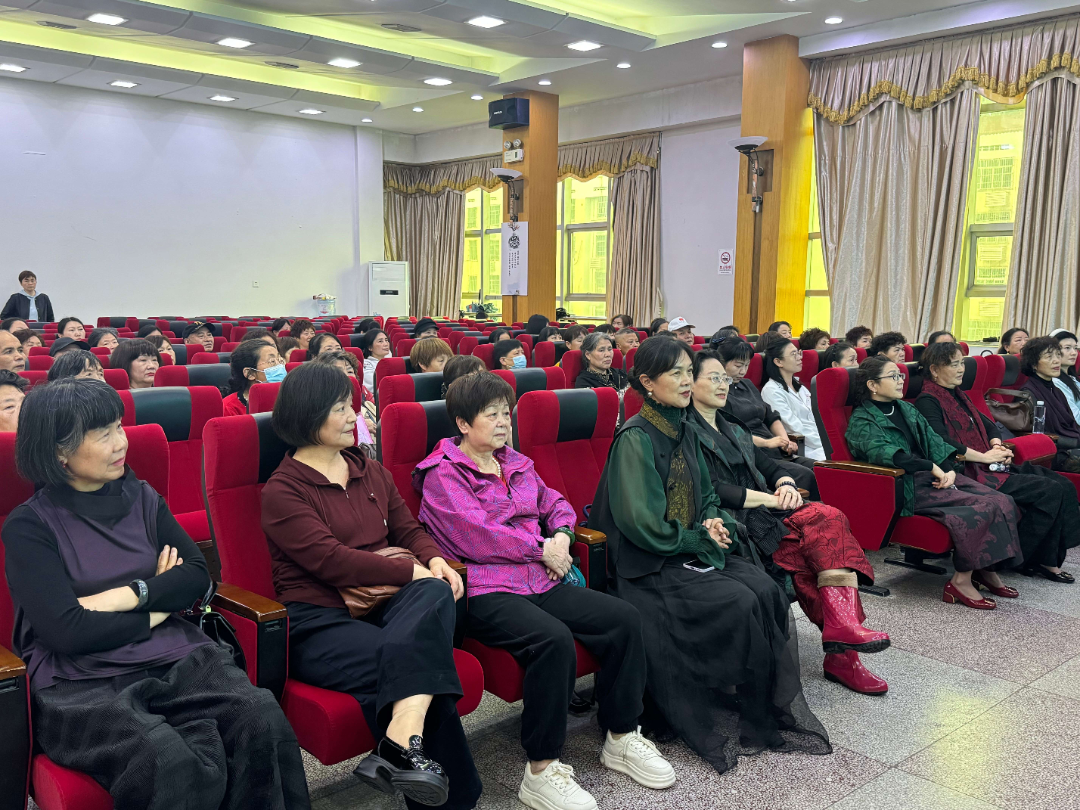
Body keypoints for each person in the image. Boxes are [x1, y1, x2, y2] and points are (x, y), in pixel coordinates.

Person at [3, 379, 310, 810]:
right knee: (166, 760)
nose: (121, 442)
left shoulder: (142, 496)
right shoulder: (29, 526)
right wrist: (159, 608)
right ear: (59, 452)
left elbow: (196, 577)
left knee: (260, 717)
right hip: (81, 680)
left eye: (118, 427)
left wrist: (129, 594)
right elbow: (66, 632)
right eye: (103, 434)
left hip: (174, 654)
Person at [415, 372, 673, 810]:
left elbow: (555, 503)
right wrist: (541, 548)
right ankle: (540, 769)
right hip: (485, 588)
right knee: (552, 640)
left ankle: (621, 734)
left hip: (540, 576)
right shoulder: (443, 473)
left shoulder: (515, 462)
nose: (503, 423)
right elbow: (476, 536)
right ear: (462, 423)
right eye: (491, 415)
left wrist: (562, 536)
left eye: (506, 413)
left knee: (623, 618)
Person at [586, 337, 830, 774]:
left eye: (688, 372)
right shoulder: (636, 437)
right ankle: (700, 693)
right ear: (647, 383)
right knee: (738, 599)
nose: (686, 381)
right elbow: (641, 524)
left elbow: (709, 494)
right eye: (675, 373)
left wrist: (714, 521)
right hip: (648, 563)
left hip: (687, 544)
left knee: (764, 589)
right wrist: (698, 538)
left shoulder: (684, 429)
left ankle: (753, 706)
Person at [261, 364, 478, 810]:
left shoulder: (369, 469)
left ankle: (399, 743)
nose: (353, 416)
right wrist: (410, 572)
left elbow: (408, 529)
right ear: (308, 416)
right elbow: (331, 561)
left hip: (383, 605)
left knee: (435, 590)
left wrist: (433, 559)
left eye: (352, 406)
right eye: (341, 409)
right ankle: (447, 788)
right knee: (419, 667)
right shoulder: (283, 490)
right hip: (319, 618)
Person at [689, 351, 890, 694]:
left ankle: (843, 639)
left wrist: (784, 483)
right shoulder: (686, 431)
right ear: (689, 384)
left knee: (826, 527)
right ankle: (843, 651)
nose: (724, 385)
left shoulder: (731, 426)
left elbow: (768, 466)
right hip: (731, 519)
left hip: (764, 511)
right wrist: (771, 498)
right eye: (714, 378)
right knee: (817, 539)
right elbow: (712, 489)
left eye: (725, 378)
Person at [847, 356, 1022, 609]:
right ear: (873, 385)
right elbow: (890, 455)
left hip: (933, 477)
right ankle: (960, 582)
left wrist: (948, 469)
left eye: (901, 375)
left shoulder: (905, 408)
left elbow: (935, 442)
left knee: (1003, 500)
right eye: (893, 376)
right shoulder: (862, 420)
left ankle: (985, 570)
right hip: (904, 485)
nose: (901, 381)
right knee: (984, 507)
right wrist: (932, 467)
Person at [916, 341, 1078, 584]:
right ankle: (1020, 559)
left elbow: (989, 424)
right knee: (1049, 491)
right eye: (953, 364)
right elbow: (940, 442)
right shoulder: (928, 400)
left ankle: (1044, 559)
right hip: (968, 470)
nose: (961, 369)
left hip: (988, 464)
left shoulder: (958, 393)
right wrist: (985, 457)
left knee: (1062, 484)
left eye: (961, 363)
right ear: (934, 370)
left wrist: (996, 445)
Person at [716, 337, 819, 496]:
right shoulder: (719, 392)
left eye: (746, 365)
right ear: (721, 363)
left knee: (819, 469)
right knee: (806, 476)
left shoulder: (747, 385)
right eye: (738, 365)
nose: (743, 371)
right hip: (752, 454)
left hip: (775, 450)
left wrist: (784, 439)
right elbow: (729, 432)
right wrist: (767, 442)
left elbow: (770, 416)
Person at [1020, 336, 1080, 473]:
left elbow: (1070, 424)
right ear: (1034, 364)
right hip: (1054, 452)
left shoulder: (1055, 390)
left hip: (1071, 445)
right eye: (1049, 357)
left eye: (1058, 355)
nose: (1056, 360)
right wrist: (1075, 442)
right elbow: (1038, 434)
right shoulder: (1028, 393)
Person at [760, 339, 825, 461]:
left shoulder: (800, 387)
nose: (799, 357)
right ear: (778, 361)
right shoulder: (771, 390)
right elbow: (793, 427)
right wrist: (824, 442)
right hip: (804, 446)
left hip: (819, 440)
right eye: (793, 354)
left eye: (798, 353)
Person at [222, 340, 286, 416]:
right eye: (272, 361)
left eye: (279, 359)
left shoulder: (288, 396)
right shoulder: (229, 408)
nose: (280, 366)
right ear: (250, 373)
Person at [1050, 330, 1080, 425]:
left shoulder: (1073, 379)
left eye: (1075, 348)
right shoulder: (1056, 382)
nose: (1074, 353)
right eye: (1067, 348)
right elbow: (1075, 418)